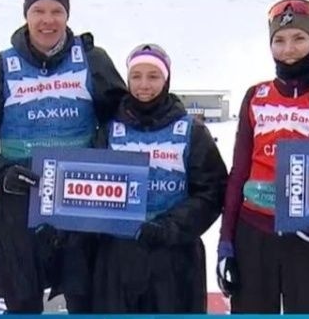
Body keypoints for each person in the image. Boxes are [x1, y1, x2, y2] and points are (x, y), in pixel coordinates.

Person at [0, 0, 128, 313]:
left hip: (81, 200)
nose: (47, 21)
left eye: (56, 11)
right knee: (22, 299)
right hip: (22, 205)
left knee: (88, 297)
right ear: (26, 14)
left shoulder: (92, 61)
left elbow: (122, 122)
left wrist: (97, 156)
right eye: (38, 11)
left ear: (67, 15)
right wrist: (1, 173)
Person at [216, 0, 309, 314]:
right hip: (254, 233)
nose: (288, 49)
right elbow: (239, 172)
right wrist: (226, 241)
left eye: (299, 38)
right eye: (279, 40)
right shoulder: (256, 96)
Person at [90, 44, 228, 313]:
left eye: (153, 76)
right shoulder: (109, 131)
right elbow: (90, 189)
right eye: (136, 76)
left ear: (166, 79)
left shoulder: (191, 130)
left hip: (174, 257)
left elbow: (211, 192)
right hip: (119, 256)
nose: (144, 85)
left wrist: (169, 227)